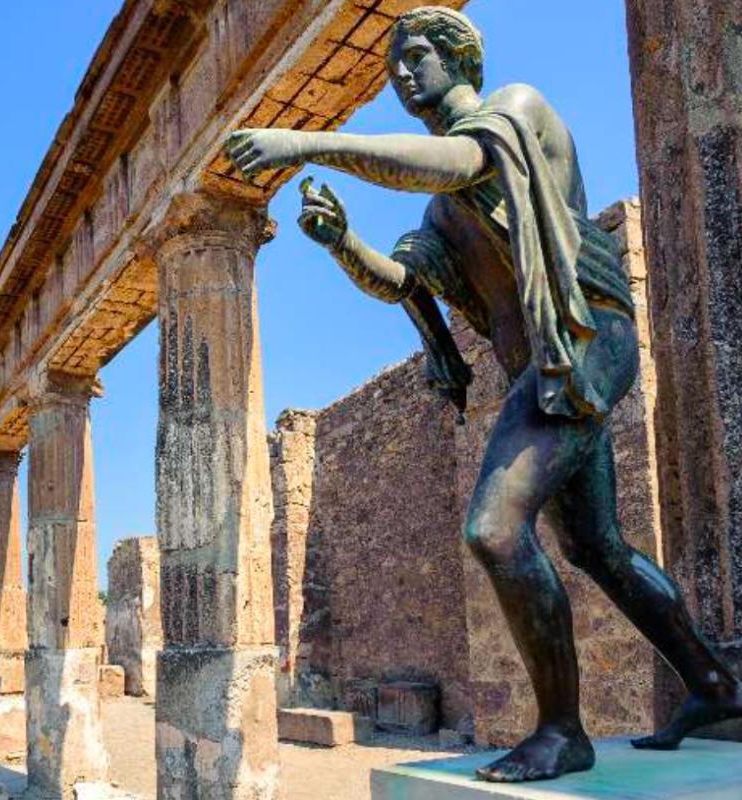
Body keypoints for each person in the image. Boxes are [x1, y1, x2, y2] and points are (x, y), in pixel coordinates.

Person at [224, 6, 742, 783]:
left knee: (495, 530)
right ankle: (713, 683)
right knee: (596, 548)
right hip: (555, 364)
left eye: (420, 53)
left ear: (462, 58)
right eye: (395, 62)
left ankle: (562, 730)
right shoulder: (441, 210)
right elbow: (403, 281)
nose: (403, 71)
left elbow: (456, 164)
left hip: (584, 343)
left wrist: (305, 142)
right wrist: (342, 244)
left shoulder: (516, 112)